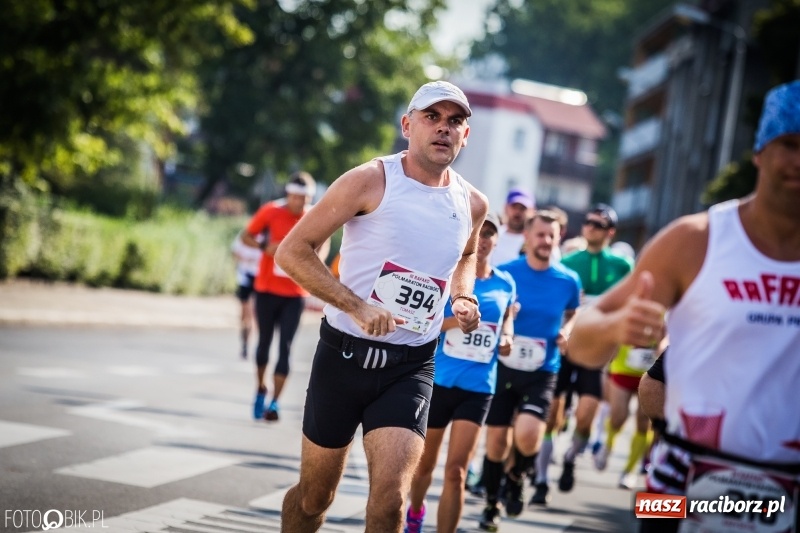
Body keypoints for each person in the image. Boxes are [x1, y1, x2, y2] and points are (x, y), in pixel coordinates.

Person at [568, 80, 800, 533]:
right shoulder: (695, 240)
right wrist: (617, 326)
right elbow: (580, 340)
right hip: (679, 483)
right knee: (650, 511)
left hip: (788, 493)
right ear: (759, 151)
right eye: (790, 144)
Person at [275, 80, 488, 533]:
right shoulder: (370, 180)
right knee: (315, 497)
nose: (444, 129)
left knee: (391, 501)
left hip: (410, 367)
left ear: (465, 136)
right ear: (407, 124)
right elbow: (293, 251)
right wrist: (356, 306)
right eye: (432, 117)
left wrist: (464, 295)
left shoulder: (472, 202)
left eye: (455, 121)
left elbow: (467, 254)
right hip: (343, 357)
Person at [404, 211, 516, 533]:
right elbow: (425, 321)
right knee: (424, 464)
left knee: (457, 472)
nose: (483, 240)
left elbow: (507, 317)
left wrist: (506, 335)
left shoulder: (505, 282)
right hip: (439, 380)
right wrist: (462, 320)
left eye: (489, 234)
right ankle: (414, 512)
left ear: (497, 240)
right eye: (478, 233)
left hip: (479, 385)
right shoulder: (450, 275)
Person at [477, 211, 581, 531]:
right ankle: (492, 502)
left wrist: (568, 330)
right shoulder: (506, 275)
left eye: (552, 236)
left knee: (528, 435)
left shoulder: (568, 280)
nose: (546, 241)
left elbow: (573, 312)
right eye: (540, 235)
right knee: (496, 443)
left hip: (543, 368)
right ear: (526, 236)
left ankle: (517, 475)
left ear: (558, 238)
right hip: (504, 367)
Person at [535, 204, 633, 500]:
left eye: (599, 225)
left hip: (598, 352)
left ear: (610, 232)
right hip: (564, 347)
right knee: (552, 415)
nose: (591, 227)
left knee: (587, 415)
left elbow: (627, 307)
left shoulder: (621, 266)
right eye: (588, 222)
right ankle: (540, 480)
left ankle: (570, 458)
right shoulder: (567, 261)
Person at [241, 171, 326, 422]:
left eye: (306, 198)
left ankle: (275, 402)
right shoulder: (270, 211)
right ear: (288, 193)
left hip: (294, 294)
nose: (300, 203)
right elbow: (246, 236)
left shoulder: (312, 216)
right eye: (297, 197)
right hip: (266, 289)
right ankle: (260, 389)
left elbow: (325, 243)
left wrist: (314, 262)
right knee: (264, 344)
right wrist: (265, 248)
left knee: (286, 348)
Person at [231, 232, 262, 359]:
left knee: (256, 313)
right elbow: (234, 252)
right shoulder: (244, 235)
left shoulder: (266, 236)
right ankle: (245, 342)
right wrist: (245, 259)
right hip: (245, 278)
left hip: (260, 278)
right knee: (245, 314)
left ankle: (256, 344)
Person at [491, 188, 535, 266]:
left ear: (532, 211)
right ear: (505, 208)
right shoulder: (492, 235)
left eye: (523, 208)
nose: (518, 212)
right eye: (514, 206)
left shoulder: (536, 241)